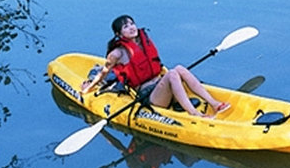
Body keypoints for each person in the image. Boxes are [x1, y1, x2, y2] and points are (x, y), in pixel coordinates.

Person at [81, 15, 231, 119]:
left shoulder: (143, 40)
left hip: (160, 85)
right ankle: (194, 114)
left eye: (132, 23)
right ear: (118, 34)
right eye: (126, 27)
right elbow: (105, 71)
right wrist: (91, 86)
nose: (131, 28)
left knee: (178, 68)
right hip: (149, 96)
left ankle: (215, 104)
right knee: (172, 74)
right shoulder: (117, 53)